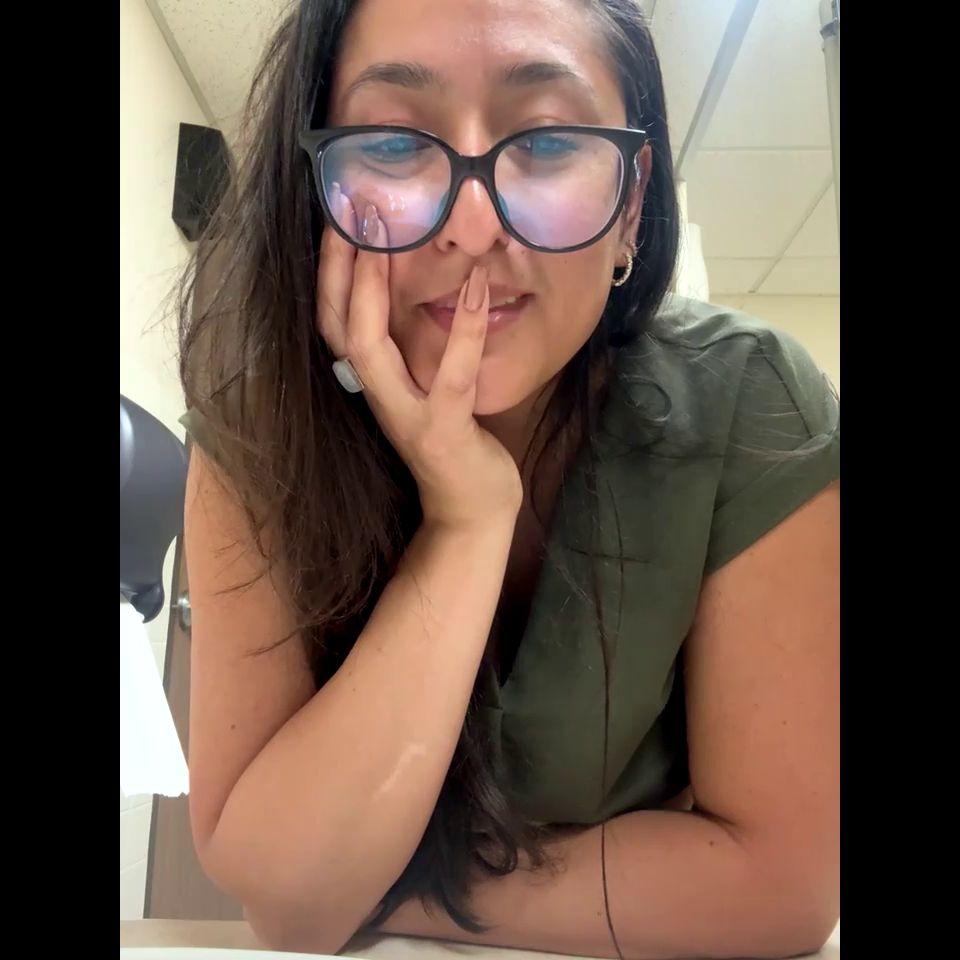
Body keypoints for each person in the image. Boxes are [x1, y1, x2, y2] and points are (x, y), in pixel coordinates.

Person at [176, 1, 840, 956]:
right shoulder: (260, 422)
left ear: (631, 206)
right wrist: (468, 520)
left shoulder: (749, 402)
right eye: (395, 144)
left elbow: (781, 886)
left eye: (550, 141)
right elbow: (282, 893)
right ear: (315, 187)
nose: (474, 226)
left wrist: (374, 889)